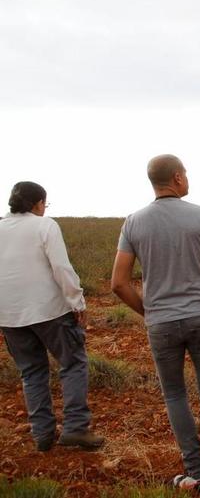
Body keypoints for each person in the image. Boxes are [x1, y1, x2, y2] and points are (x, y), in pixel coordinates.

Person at [111, 155, 200, 496]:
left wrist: (149, 313)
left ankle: (194, 475)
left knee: (174, 394)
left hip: (161, 322)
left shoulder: (133, 223)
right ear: (178, 178)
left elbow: (118, 283)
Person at [0, 181, 104, 451]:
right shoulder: (45, 226)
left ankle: (43, 434)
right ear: (38, 204)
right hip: (49, 311)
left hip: (9, 315)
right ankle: (76, 428)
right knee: (73, 363)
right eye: (44, 204)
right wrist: (77, 302)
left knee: (31, 372)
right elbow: (61, 267)